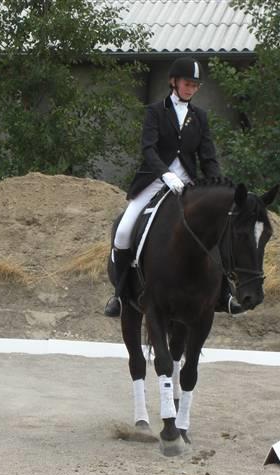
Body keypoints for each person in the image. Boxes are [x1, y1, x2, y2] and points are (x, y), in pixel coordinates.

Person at [104, 56, 244, 317]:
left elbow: (208, 157)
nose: (191, 89)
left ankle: (224, 292)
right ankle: (120, 295)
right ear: (173, 82)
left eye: (195, 86)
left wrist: (219, 188)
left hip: (190, 183)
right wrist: (166, 175)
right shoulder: (155, 111)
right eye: (187, 84)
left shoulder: (199, 117)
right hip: (155, 180)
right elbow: (148, 149)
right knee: (123, 232)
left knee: (218, 230)